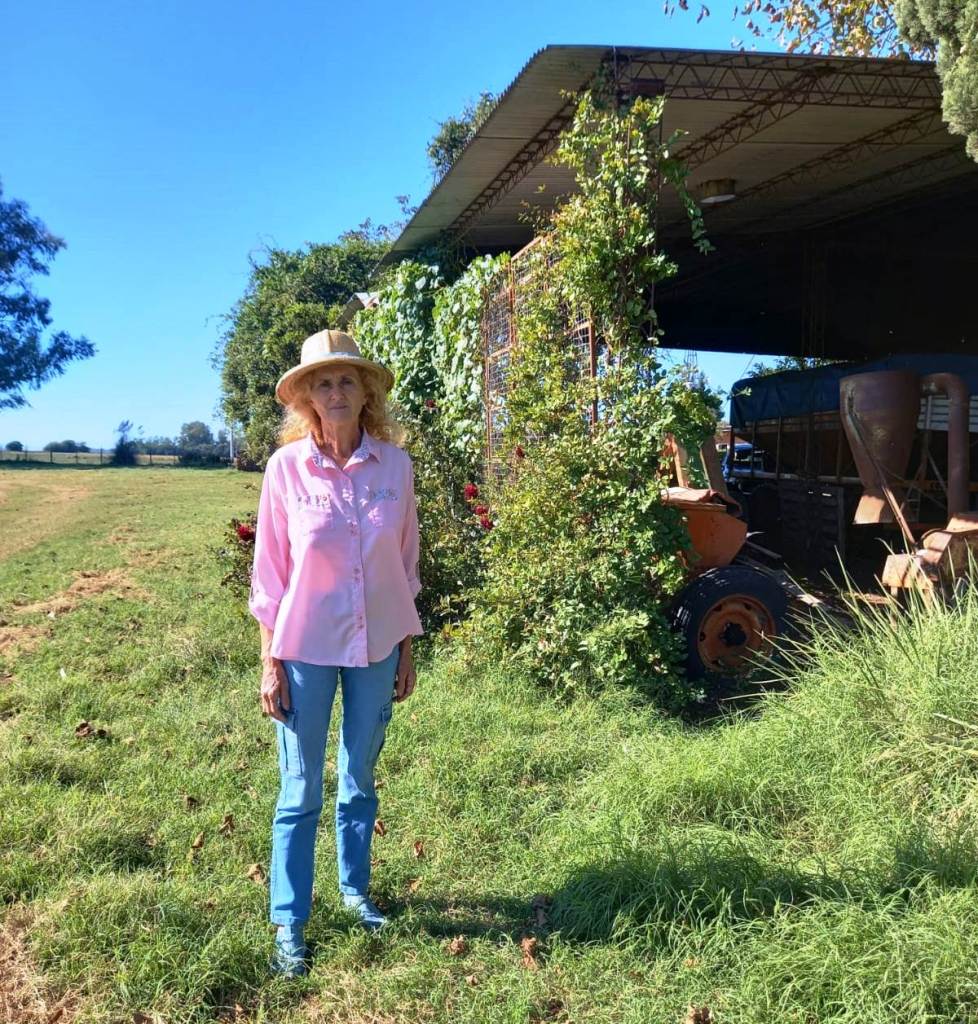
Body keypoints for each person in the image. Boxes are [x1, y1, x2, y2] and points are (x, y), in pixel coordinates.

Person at [248, 329, 423, 977]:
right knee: (300, 788)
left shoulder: (395, 468)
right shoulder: (285, 471)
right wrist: (269, 662)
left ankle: (354, 891)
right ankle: (289, 920)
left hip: (378, 644)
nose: (336, 391)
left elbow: (405, 564)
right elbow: (269, 576)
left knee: (360, 779)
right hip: (303, 649)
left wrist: (406, 648)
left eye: (347, 379)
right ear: (306, 398)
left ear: (366, 390)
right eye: (323, 382)